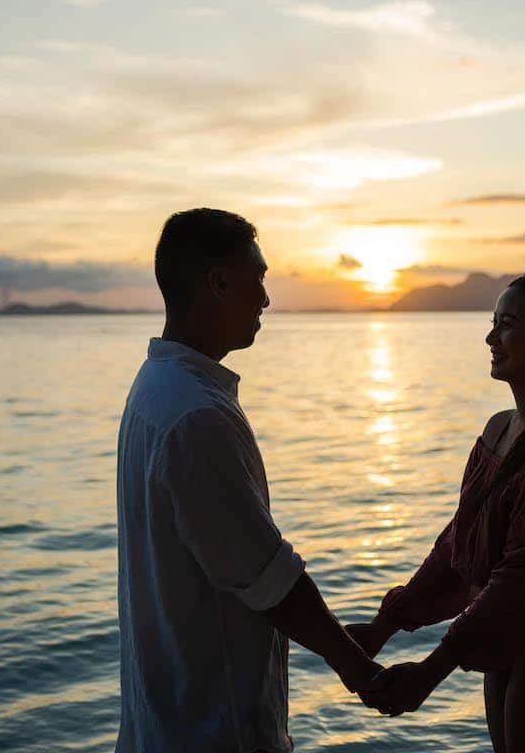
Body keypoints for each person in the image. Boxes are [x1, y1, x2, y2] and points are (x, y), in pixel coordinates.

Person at [116, 208, 384, 753]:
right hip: (214, 730)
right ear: (217, 282)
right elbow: (267, 577)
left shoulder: (157, 387)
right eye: (258, 278)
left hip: (167, 720)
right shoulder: (196, 415)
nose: (266, 299)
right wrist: (360, 670)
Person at [348, 268, 525, 753]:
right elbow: (459, 546)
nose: (491, 337)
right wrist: (383, 626)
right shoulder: (497, 431)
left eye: (508, 325)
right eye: (494, 322)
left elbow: (523, 578)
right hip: (511, 648)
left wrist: (430, 673)